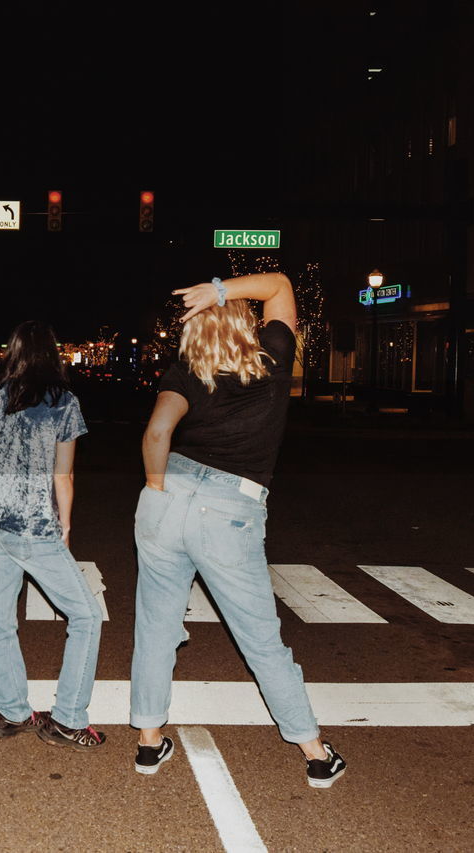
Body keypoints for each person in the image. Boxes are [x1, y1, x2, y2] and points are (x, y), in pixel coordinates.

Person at [129, 272, 346, 787]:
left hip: (168, 496)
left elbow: (158, 431)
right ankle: (315, 753)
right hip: (230, 508)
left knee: (156, 630)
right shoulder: (270, 355)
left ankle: (148, 744)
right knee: (260, 639)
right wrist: (222, 289)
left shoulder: (184, 370)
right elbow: (280, 286)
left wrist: (157, 489)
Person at [0, 320, 105, 751]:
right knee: (86, 617)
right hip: (33, 525)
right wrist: (64, 529)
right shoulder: (64, 402)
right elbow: (63, 475)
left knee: (0, 620)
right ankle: (68, 718)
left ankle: (11, 711)